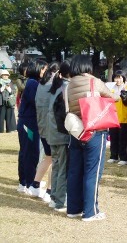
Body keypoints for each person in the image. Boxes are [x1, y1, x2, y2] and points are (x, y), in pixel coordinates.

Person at [66, 55, 113, 221]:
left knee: (75, 171)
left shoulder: (69, 85)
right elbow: (112, 97)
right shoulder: (95, 82)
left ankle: (73, 208)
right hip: (94, 130)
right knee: (92, 172)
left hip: (76, 132)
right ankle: (90, 211)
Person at [27, 62, 60, 202]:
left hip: (42, 127)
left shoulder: (41, 84)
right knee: (55, 160)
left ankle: (35, 185)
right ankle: (49, 191)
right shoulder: (54, 85)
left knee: (48, 157)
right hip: (52, 128)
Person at [16, 60, 48, 193]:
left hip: (28, 122)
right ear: (38, 69)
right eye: (43, 69)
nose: (45, 72)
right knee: (30, 153)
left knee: (26, 152)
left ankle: (24, 182)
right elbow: (37, 102)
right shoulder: (33, 83)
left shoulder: (32, 82)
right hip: (28, 124)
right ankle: (29, 183)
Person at [47, 60, 71, 211]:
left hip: (52, 133)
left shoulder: (55, 86)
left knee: (56, 166)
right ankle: (60, 201)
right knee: (63, 168)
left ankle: (54, 197)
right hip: (62, 135)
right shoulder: (67, 87)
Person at [108, 70, 127, 166]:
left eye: (120, 77)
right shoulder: (110, 89)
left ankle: (123, 157)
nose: (118, 80)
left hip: (123, 117)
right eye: (116, 77)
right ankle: (114, 156)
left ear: (124, 79)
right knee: (113, 137)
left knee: (123, 138)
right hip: (113, 117)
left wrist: (123, 93)